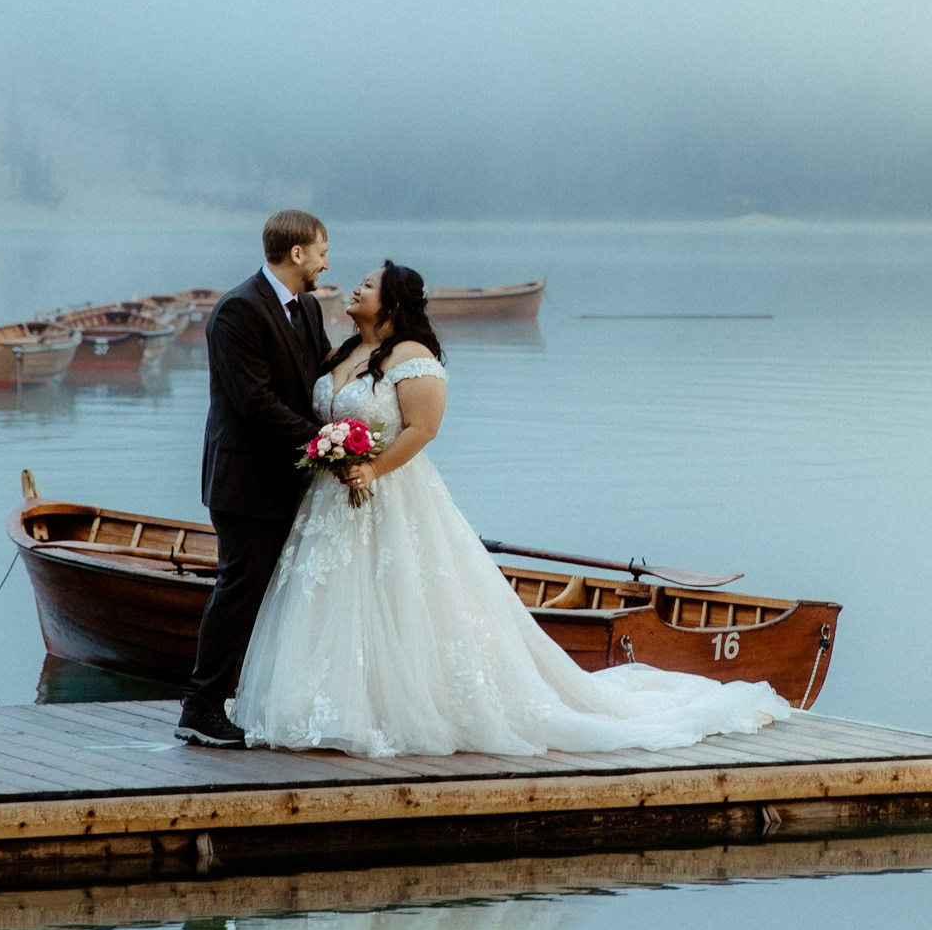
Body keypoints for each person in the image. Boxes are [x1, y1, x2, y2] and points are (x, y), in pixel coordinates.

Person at [235, 259, 789, 759]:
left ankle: (398, 706)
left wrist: (373, 469)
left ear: (395, 303)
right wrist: (337, 456)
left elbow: (424, 429)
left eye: (368, 285)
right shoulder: (343, 350)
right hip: (331, 501)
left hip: (391, 494)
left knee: (399, 598)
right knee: (329, 598)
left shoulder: (413, 359)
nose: (354, 287)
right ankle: (328, 704)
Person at [175, 210, 333, 748]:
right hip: (244, 480)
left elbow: (321, 371)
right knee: (240, 588)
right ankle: (200, 706)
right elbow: (254, 401)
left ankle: (251, 698)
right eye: (321, 251)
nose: (326, 262)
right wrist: (322, 444)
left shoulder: (306, 307)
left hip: (288, 478)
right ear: (297, 254)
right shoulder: (239, 310)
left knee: (272, 589)